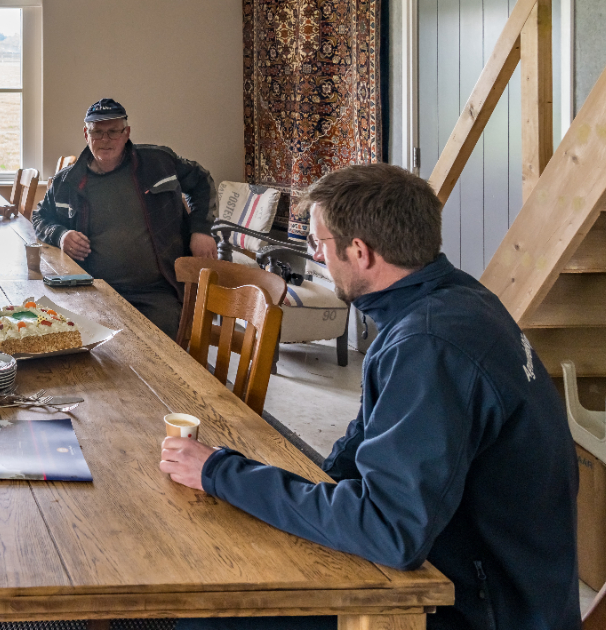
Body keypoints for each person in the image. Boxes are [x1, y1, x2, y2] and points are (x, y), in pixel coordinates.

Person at [160, 164, 580, 630]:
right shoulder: (455, 298)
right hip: (476, 565)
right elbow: (364, 443)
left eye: (319, 244)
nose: (317, 256)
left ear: (359, 251)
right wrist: (281, 484)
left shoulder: (427, 344)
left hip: (480, 607)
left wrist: (220, 471)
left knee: (215, 611)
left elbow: (390, 530)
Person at [31, 98, 217, 339]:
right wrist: (61, 235)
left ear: (127, 132)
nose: (105, 140)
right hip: (93, 289)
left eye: (113, 132)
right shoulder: (66, 181)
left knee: (164, 352)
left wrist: (200, 229)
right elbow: (40, 217)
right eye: (97, 132)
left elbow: (202, 181)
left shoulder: (158, 161)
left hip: (156, 291)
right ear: (86, 134)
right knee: (77, 344)